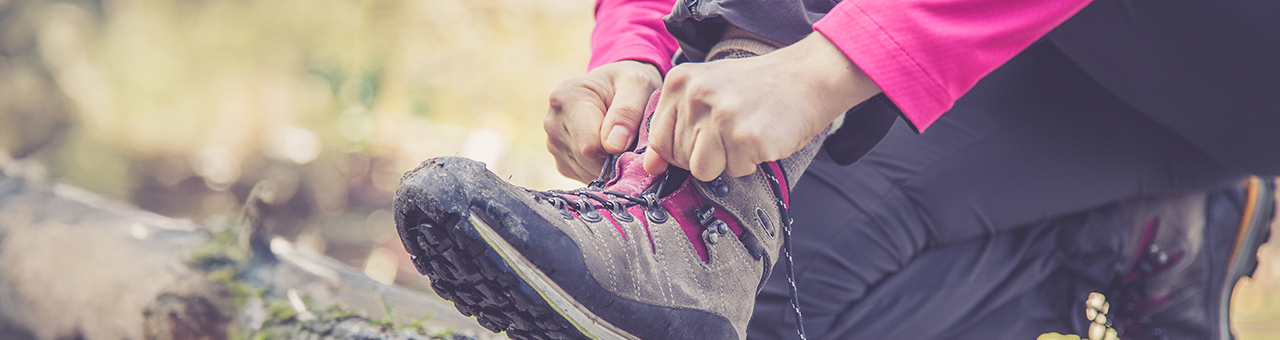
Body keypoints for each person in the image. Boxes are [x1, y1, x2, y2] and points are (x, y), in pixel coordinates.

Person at [393, 0, 1279, 339]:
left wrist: (824, 69)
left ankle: (707, 223)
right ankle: (1133, 231)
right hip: (1075, 63)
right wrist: (638, 53)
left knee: (710, 281)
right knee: (774, 311)